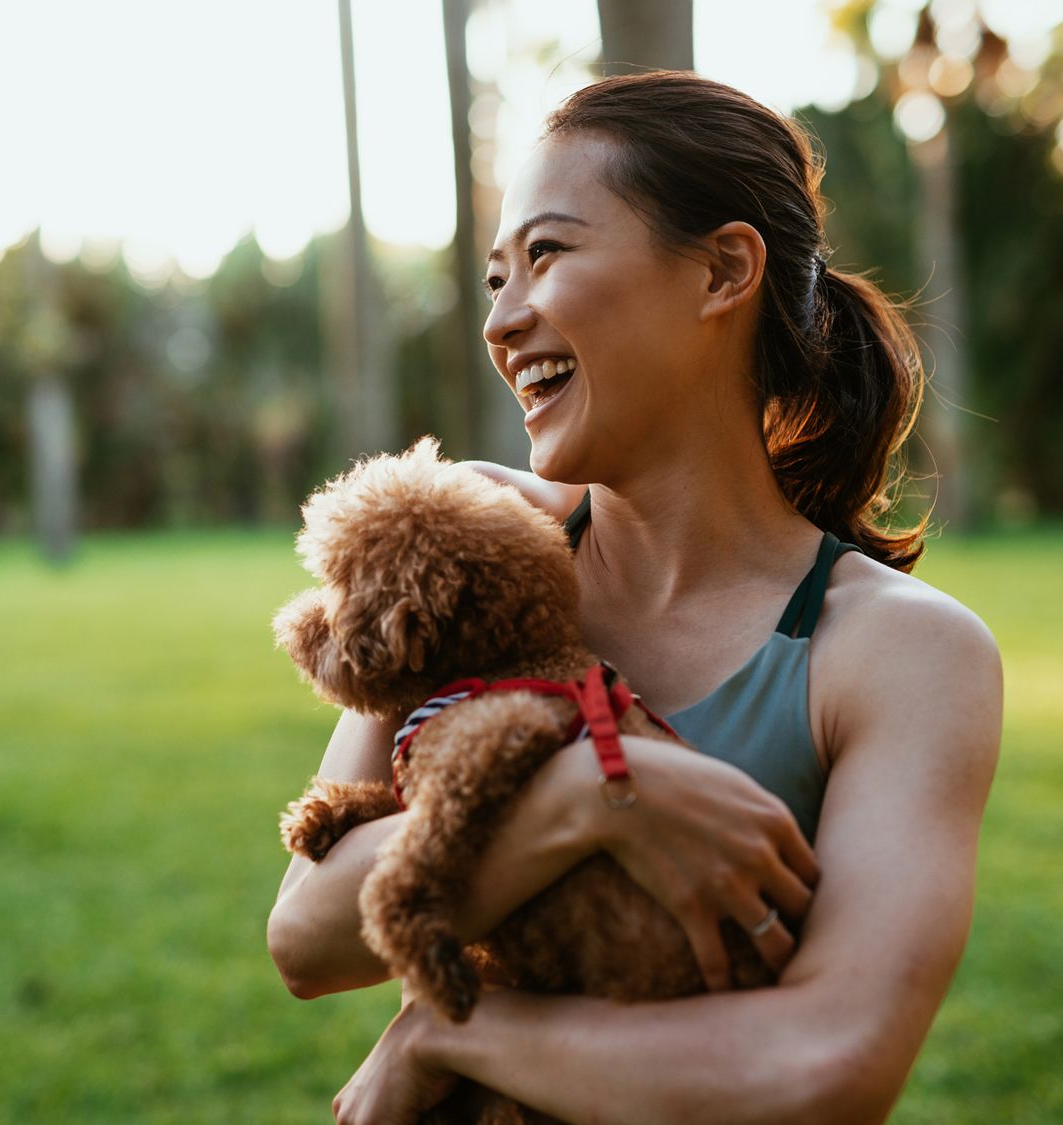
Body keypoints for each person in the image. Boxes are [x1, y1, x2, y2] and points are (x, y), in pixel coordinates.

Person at [267, 72, 1001, 1124]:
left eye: (548, 254)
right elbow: (307, 936)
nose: (503, 319)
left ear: (722, 270)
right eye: (493, 276)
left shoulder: (901, 653)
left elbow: (831, 1065)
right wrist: (596, 799)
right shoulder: (468, 539)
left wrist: (452, 1028)